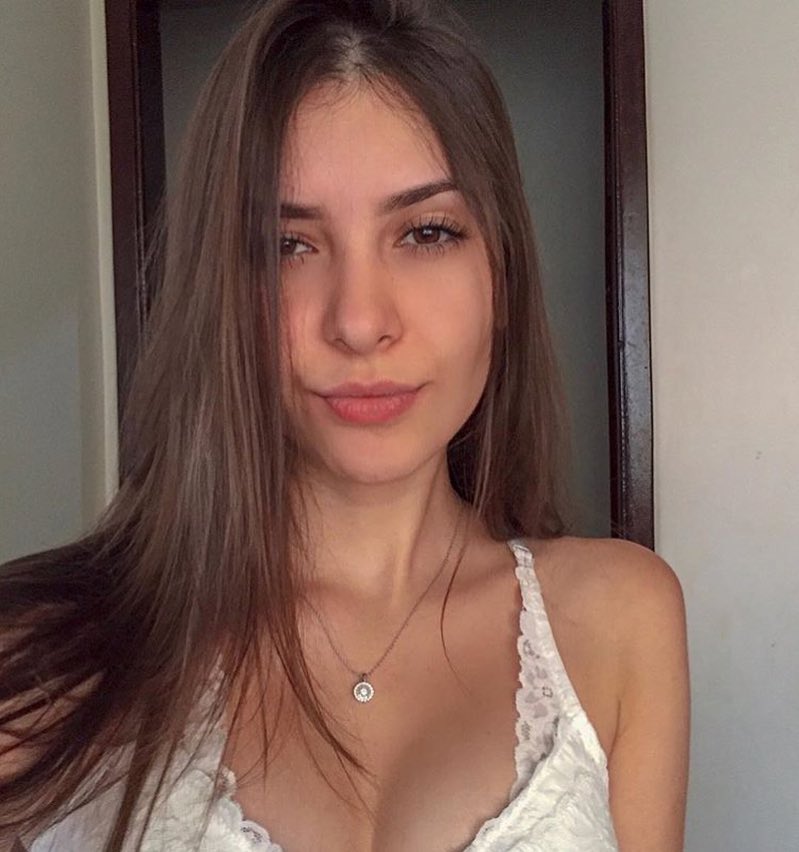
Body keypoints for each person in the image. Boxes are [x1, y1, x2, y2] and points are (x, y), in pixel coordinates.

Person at [0, 0, 690, 849]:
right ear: (221, 292)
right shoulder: (36, 664)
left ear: (502, 276)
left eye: (426, 232)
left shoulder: (620, 619)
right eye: (286, 246)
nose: (359, 322)